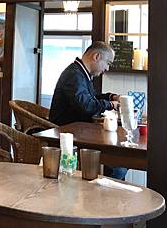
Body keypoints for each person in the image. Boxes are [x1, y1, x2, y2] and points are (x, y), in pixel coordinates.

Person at [49, 41, 127, 180]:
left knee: (119, 157)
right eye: (108, 63)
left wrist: (111, 97)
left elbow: (91, 98)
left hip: (80, 131)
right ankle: (105, 189)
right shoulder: (74, 74)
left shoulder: (80, 72)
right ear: (96, 57)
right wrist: (111, 104)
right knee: (118, 163)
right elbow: (86, 106)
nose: (107, 68)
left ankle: (106, 187)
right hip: (68, 134)